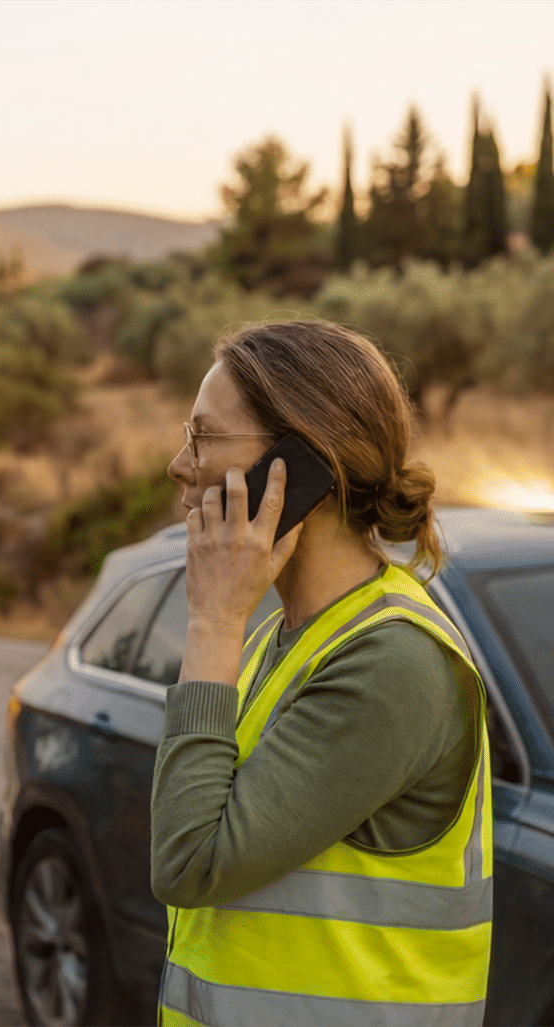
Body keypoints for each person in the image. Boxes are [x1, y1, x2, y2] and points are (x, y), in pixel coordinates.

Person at [151, 320, 491, 1026]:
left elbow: (189, 862)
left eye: (203, 437)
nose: (180, 465)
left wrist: (212, 620)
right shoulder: (284, 639)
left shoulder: (391, 661)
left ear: (299, 463)